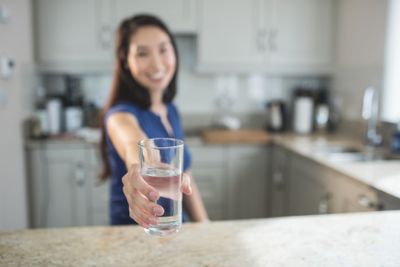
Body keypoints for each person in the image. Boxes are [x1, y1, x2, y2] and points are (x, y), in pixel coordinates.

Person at [99, 14, 209, 227]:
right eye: (142, 53)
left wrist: (205, 225)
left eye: (163, 49)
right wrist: (139, 167)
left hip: (176, 233)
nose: (156, 63)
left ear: (174, 52)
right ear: (125, 61)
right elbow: (133, 144)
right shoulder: (119, 115)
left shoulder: (171, 110)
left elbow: (185, 176)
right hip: (133, 236)